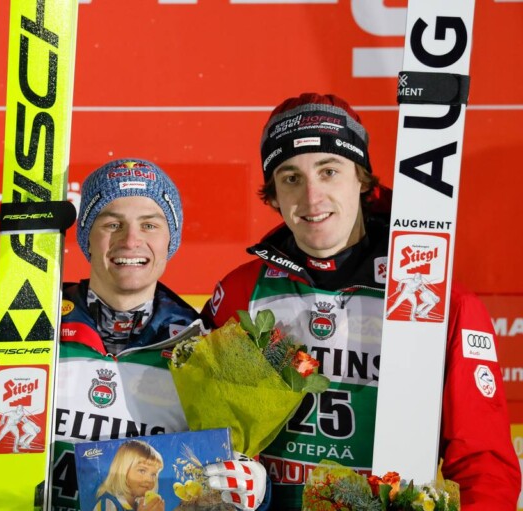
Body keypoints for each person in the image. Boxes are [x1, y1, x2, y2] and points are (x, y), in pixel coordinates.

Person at [202, 92, 521, 510]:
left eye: (329, 171)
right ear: (274, 195)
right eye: (291, 177)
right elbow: (208, 445)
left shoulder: (437, 299)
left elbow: (485, 466)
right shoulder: (242, 292)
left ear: (363, 180)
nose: (312, 197)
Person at [0, 158, 268, 511]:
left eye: (150, 225)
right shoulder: (24, 324)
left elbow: (231, 474)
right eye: (112, 223)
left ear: (171, 239)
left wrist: (255, 487)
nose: (131, 240)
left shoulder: (204, 348)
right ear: (87, 236)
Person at [93, 440, 164, 511]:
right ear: (123, 470)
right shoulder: (108, 503)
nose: (149, 480)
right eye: (142, 471)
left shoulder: (139, 505)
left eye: (153, 474)